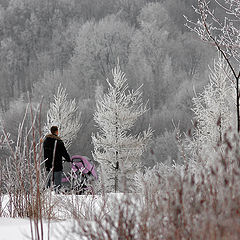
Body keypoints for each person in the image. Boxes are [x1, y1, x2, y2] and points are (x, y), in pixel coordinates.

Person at [43, 126, 71, 192]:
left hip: (48, 164)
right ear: (56, 131)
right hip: (57, 164)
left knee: (48, 181)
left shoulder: (46, 141)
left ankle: (47, 195)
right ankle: (57, 194)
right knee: (57, 183)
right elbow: (64, 152)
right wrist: (68, 159)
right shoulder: (58, 141)